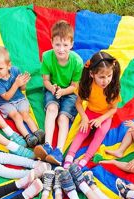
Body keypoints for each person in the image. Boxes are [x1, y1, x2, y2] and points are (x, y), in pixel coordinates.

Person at [34, 20, 83, 165]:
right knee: (51, 109)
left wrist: (63, 92)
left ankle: (59, 151)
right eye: (57, 45)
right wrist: (53, 89)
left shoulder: (77, 62)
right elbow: (46, 81)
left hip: (69, 92)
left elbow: (74, 86)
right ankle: (48, 145)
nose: (61, 49)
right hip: (53, 89)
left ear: (71, 45)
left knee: (63, 118)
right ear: (51, 43)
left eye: (65, 45)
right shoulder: (47, 57)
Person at [63, 51, 121, 169]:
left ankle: (85, 159)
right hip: (90, 112)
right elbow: (78, 103)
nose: (106, 80)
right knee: (82, 131)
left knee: (101, 132)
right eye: (101, 77)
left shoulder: (113, 87)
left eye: (109, 76)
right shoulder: (86, 85)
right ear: (92, 74)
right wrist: (84, 117)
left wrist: (101, 119)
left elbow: (113, 109)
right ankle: (69, 156)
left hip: (104, 116)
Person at [0, 46, 45, 148]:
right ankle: (27, 136)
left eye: (0, 68)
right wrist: (16, 84)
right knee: (17, 116)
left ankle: (37, 132)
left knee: (25, 114)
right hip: (5, 102)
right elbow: (6, 97)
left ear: (8, 66)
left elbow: (22, 88)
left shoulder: (15, 70)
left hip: (19, 99)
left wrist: (23, 83)